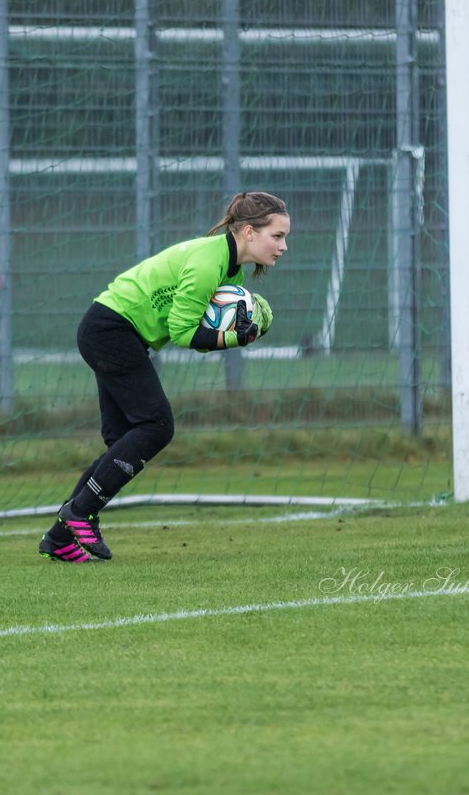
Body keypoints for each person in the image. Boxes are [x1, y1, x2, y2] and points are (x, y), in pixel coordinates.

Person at [38, 191, 289, 561]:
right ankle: (78, 514)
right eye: (278, 236)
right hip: (110, 330)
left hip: (113, 331)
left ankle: (59, 537)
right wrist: (238, 337)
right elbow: (183, 333)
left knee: (125, 440)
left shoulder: (226, 264)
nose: (283, 246)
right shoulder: (209, 262)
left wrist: (242, 326)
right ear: (249, 232)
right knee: (157, 425)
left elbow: (193, 330)